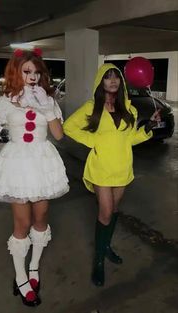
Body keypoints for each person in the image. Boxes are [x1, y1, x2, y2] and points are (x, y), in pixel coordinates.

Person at [0, 48, 69, 306]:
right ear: (16, 72)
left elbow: (59, 135)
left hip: (42, 164)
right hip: (18, 165)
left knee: (41, 219)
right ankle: (20, 277)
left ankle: (34, 268)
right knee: (22, 222)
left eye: (37, 72)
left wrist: (48, 107)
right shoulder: (6, 100)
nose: (33, 76)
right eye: (27, 71)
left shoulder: (47, 97)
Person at [63, 63, 161, 287]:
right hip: (101, 167)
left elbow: (130, 139)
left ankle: (106, 246)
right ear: (101, 82)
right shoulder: (92, 107)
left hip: (122, 167)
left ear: (121, 82)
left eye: (116, 77)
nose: (113, 81)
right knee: (105, 212)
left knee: (114, 210)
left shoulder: (130, 109)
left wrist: (149, 128)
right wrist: (93, 142)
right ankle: (98, 261)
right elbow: (69, 127)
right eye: (107, 77)